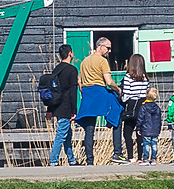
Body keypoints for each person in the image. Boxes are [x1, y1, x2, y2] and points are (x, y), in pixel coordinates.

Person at [76, 36, 116, 164]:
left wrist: (84, 93)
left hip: (87, 94)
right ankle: (118, 151)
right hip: (99, 92)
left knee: (89, 129)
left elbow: (79, 81)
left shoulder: (84, 61)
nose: (109, 51)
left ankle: (89, 160)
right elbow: (109, 82)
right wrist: (118, 90)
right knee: (118, 110)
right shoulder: (102, 61)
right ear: (100, 46)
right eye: (108, 48)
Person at [44, 44, 79, 167]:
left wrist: (50, 109)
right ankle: (53, 160)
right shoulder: (72, 70)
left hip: (57, 105)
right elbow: (73, 92)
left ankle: (71, 159)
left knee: (67, 134)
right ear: (70, 53)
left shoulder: (56, 69)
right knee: (61, 134)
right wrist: (74, 110)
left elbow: (52, 91)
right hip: (66, 106)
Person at [120, 52, 150, 161]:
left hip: (132, 105)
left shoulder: (128, 77)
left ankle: (130, 156)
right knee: (140, 132)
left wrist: (122, 99)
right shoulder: (145, 78)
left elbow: (126, 94)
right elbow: (147, 92)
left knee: (127, 132)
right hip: (142, 105)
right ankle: (141, 157)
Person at [137, 82, 162, 164]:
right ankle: (154, 159)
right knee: (154, 144)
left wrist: (138, 128)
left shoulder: (143, 107)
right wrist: (159, 128)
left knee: (146, 144)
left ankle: (146, 159)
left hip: (146, 128)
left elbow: (140, 118)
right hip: (155, 129)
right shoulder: (157, 108)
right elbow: (159, 119)